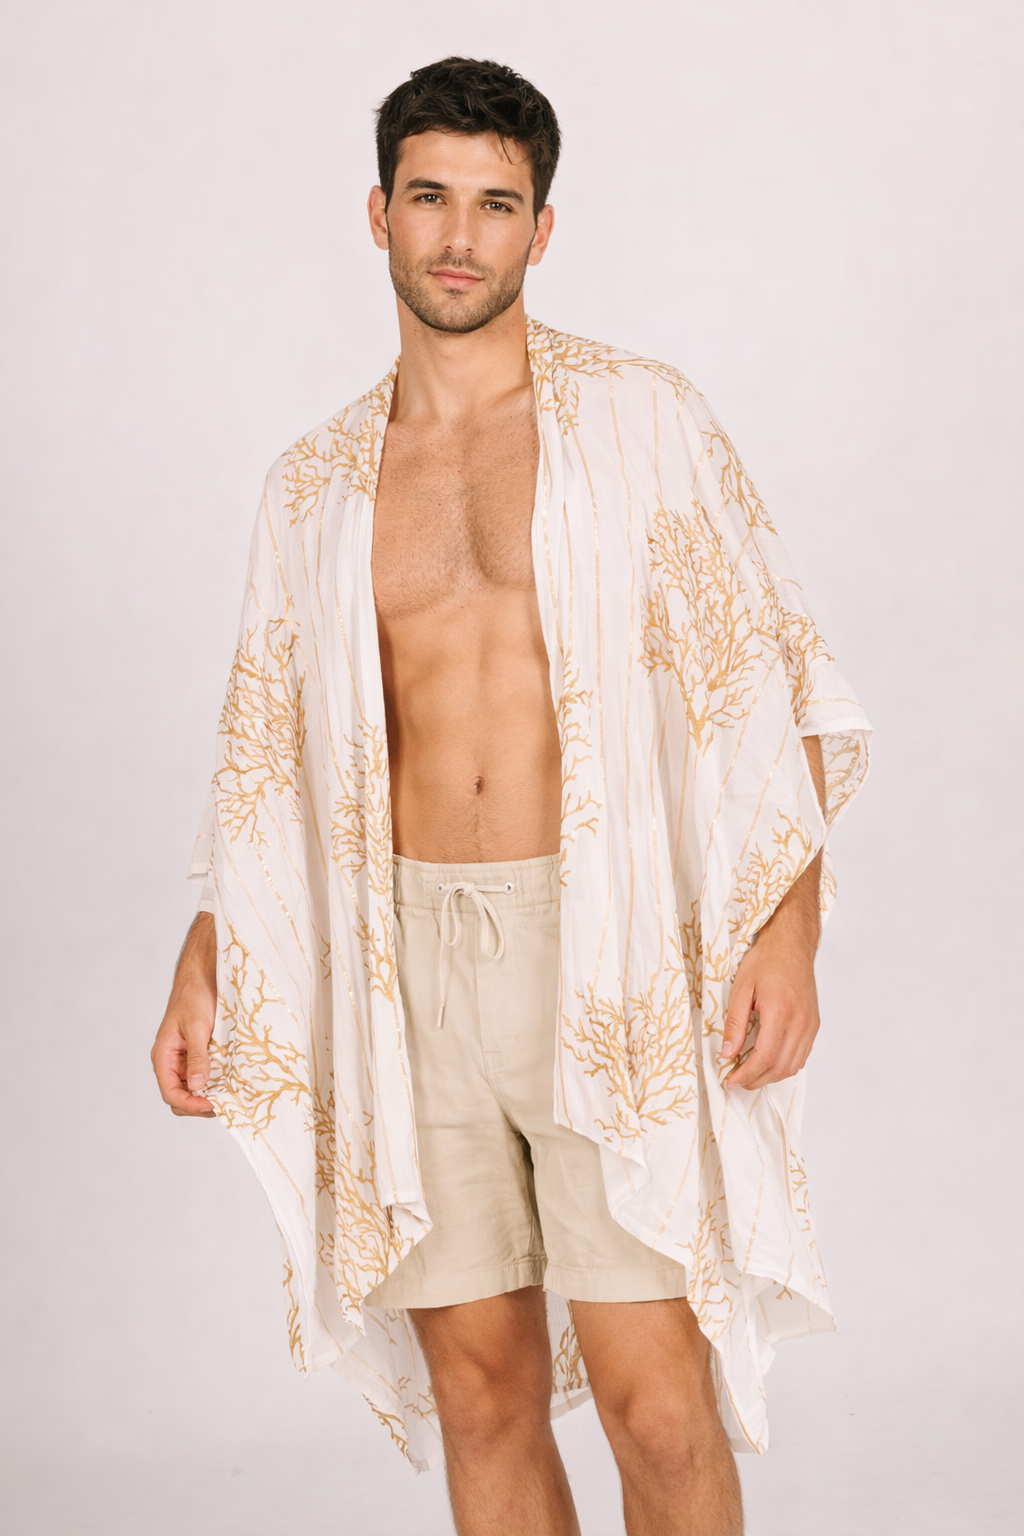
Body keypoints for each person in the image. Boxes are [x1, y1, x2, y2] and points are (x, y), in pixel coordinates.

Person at [151, 56, 871, 1536]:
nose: (459, 236)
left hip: (604, 951)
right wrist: (209, 950)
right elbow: (272, 752)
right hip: (403, 966)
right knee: (479, 1392)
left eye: (496, 205)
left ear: (543, 229)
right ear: (379, 214)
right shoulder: (316, 486)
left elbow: (774, 685)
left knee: (655, 1399)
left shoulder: (642, 424)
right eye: (430, 198)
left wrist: (789, 932)